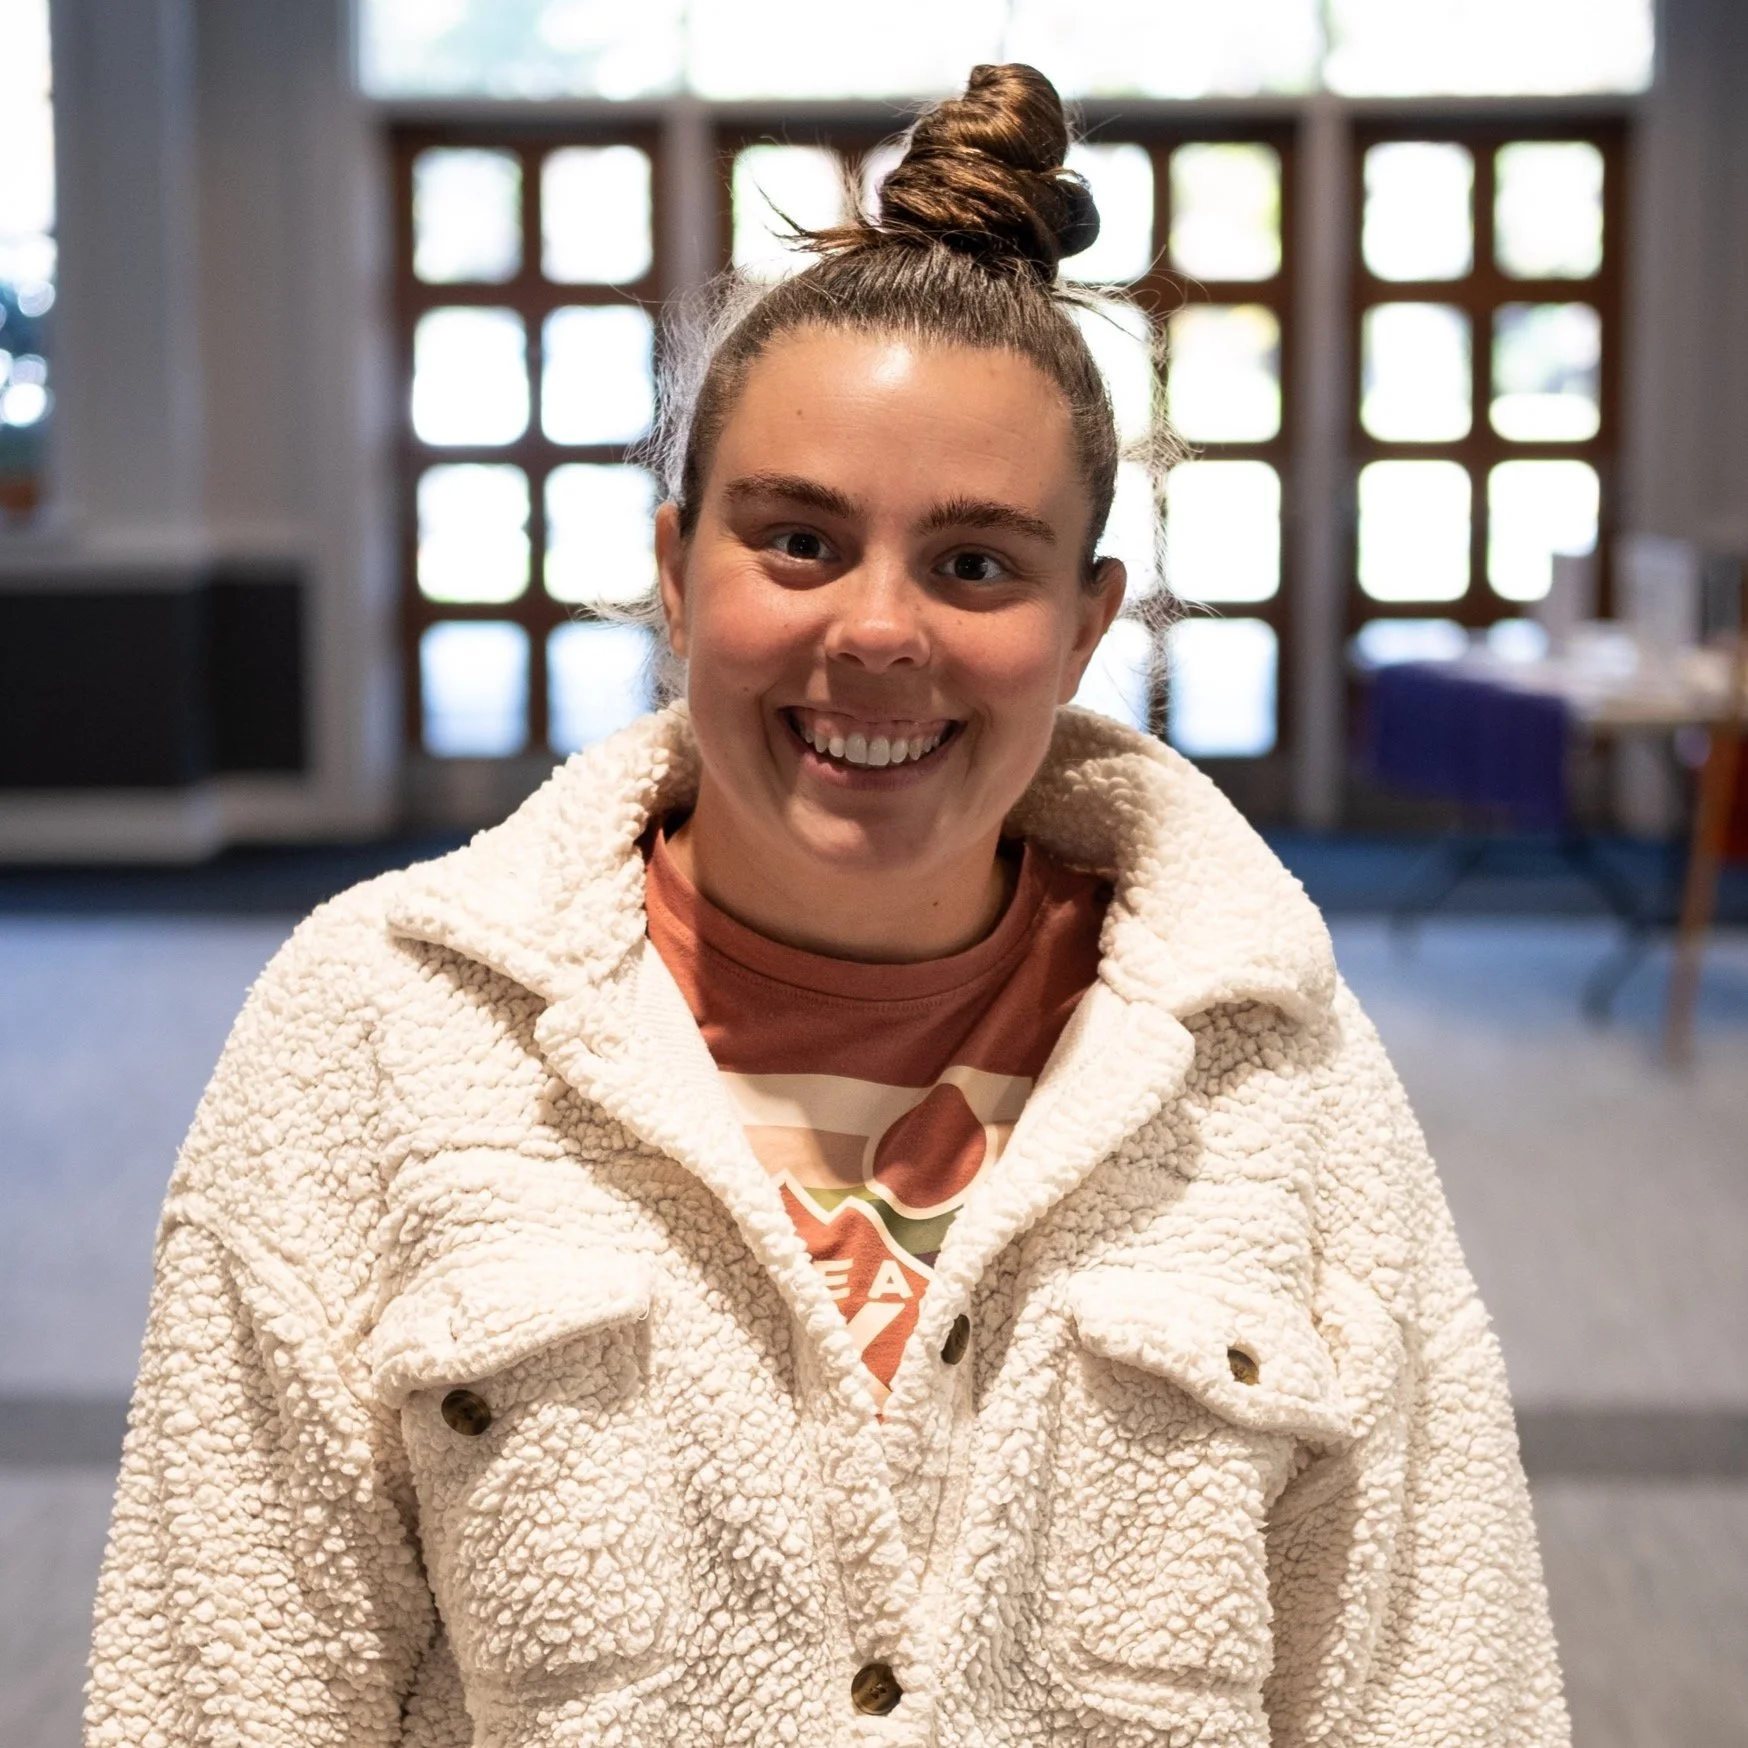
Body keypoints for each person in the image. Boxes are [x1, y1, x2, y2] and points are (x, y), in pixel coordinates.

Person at [85, 63, 1568, 1748]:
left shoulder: (1270, 1075)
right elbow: (222, 1688)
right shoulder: (380, 1029)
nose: (879, 630)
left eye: (977, 563)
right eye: (797, 540)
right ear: (674, 570)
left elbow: (1437, 1683)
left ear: (1086, 630)